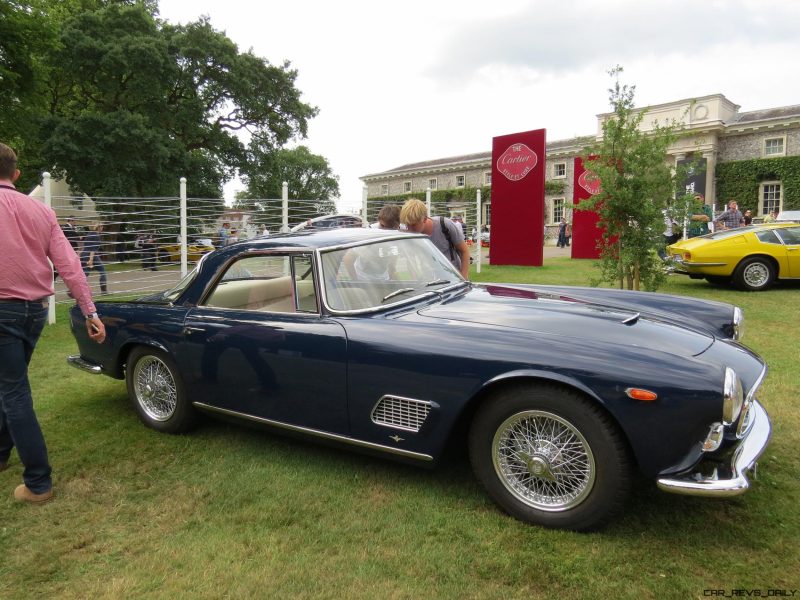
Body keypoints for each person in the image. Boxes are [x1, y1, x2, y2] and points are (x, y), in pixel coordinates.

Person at [0, 142, 106, 504]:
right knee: (10, 383)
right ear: (16, 174)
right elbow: (70, 265)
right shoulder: (42, 212)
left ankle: (38, 483)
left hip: (4, 310)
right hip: (34, 312)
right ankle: (1, 454)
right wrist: (90, 312)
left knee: (14, 392)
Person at [400, 198, 470, 279]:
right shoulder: (411, 234)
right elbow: (411, 259)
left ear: (425, 219)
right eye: (407, 225)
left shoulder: (445, 225)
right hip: (429, 282)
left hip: (453, 277)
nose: (410, 229)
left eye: (413, 225)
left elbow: (464, 251)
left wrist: (464, 277)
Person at [81, 223, 108, 294]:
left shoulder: (89, 234)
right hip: (91, 255)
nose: (102, 229)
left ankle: (73, 290)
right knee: (103, 271)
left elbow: (85, 245)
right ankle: (104, 291)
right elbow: (92, 249)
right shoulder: (96, 236)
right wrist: (91, 260)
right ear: (99, 227)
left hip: (84, 254)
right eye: (102, 227)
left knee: (84, 274)